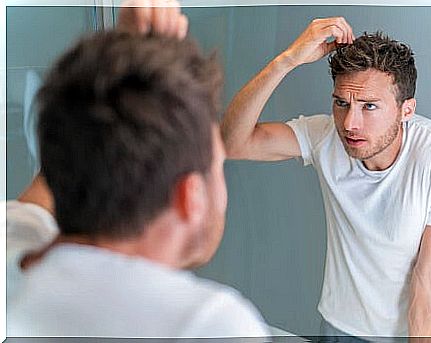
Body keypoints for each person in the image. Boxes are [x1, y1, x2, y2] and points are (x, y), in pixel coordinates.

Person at [7, 3, 270, 338]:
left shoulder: (11, 246)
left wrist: (119, 58)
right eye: (217, 165)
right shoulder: (205, 324)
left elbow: (71, 160)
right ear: (191, 196)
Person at [221, 18, 431, 340]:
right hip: (339, 330)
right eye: (341, 103)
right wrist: (286, 60)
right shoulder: (324, 136)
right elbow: (232, 142)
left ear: (407, 110)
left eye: (369, 106)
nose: (350, 123)